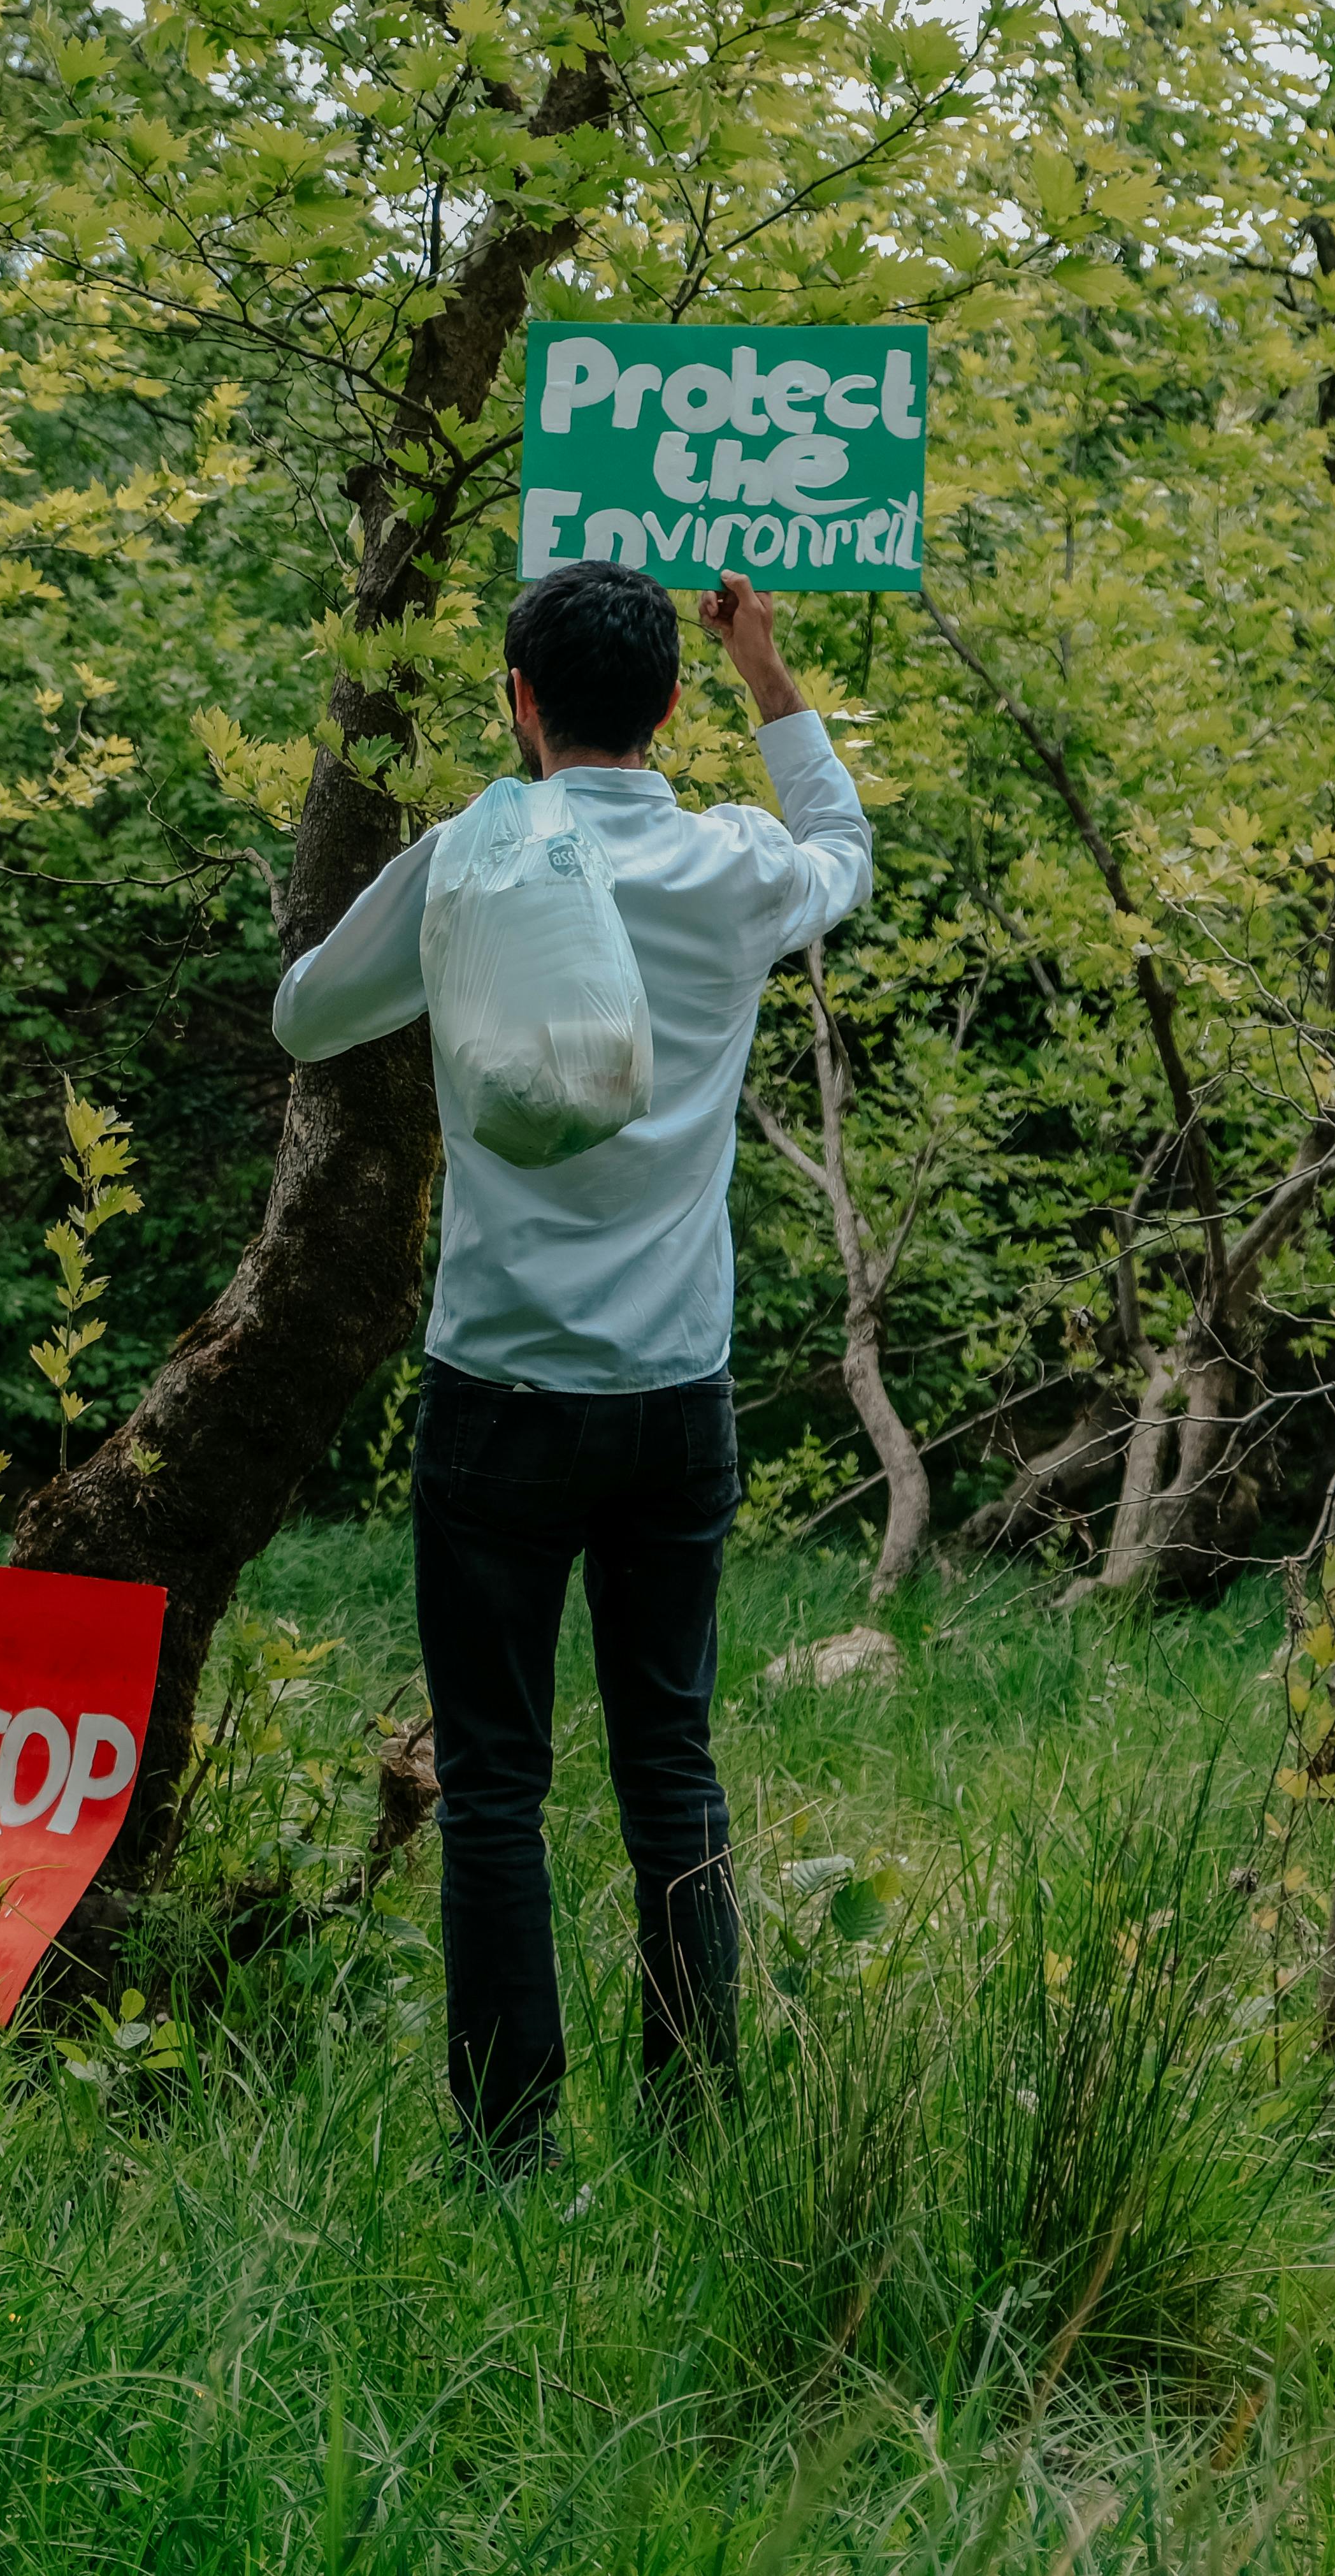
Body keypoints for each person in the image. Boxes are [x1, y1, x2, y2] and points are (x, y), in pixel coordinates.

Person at [270, 560, 874, 2173]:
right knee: (669, 1768)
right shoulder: (733, 867)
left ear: (518, 704)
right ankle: (692, 2129)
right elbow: (846, 853)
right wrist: (769, 671)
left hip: (498, 1400)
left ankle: (510, 2152)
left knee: (493, 1788)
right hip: (676, 1400)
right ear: (669, 704)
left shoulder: (470, 858)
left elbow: (306, 1019)